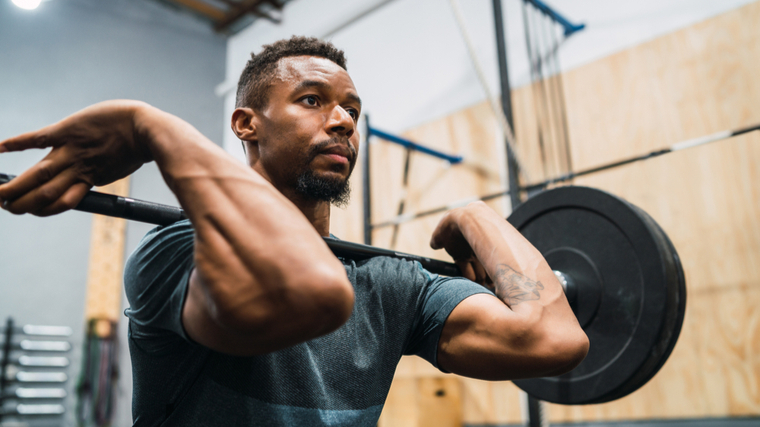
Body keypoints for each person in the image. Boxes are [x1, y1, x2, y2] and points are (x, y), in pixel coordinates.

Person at [0, 36, 588, 426]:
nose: (342, 121)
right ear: (245, 124)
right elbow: (306, 294)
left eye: (352, 111)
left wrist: (474, 213)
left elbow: (552, 341)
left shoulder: (392, 283)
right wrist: (152, 127)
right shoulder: (178, 255)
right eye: (313, 100)